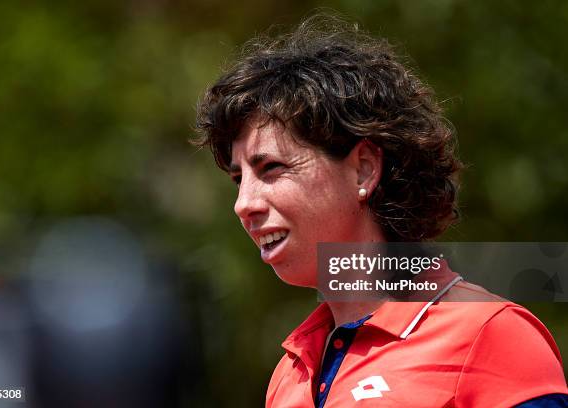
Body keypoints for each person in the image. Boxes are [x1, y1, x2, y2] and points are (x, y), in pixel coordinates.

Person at [194, 14, 568, 407]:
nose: (244, 204)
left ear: (364, 169)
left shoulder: (489, 334)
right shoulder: (291, 371)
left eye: (271, 168)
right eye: (239, 178)